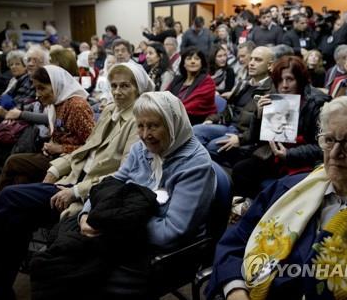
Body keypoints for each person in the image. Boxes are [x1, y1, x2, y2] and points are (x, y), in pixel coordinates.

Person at [0, 62, 154, 299]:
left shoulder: (138, 121)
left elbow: (122, 175)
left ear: (138, 88)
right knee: (15, 216)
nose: (118, 91)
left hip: (88, 193)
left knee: (10, 196)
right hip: (72, 177)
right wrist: (56, 169)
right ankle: (1, 288)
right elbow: (85, 149)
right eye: (115, 85)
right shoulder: (111, 110)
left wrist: (76, 190)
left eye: (125, 86)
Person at [206, 96, 347, 300]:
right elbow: (233, 243)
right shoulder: (289, 187)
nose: (335, 152)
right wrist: (235, 289)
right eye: (328, 139)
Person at [29, 91, 216, 298]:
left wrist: (110, 224)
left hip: (162, 252)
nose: (145, 134)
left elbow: (170, 232)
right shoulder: (140, 149)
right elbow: (112, 183)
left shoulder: (195, 165)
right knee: (56, 261)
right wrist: (86, 214)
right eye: (140, 126)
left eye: (154, 126)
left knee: (72, 276)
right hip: (123, 231)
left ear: (173, 124)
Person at [0, 65, 95, 228]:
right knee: (20, 179)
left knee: (14, 162)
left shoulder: (77, 106)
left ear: (56, 85)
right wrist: (53, 145)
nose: (38, 94)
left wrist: (62, 148)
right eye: (36, 88)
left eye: (42, 88)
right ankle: (1, 222)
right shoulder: (57, 103)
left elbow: (93, 147)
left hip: (71, 164)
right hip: (55, 158)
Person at [231, 56, 330, 199]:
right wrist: (258, 115)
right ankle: (248, 207)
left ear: (300, 80)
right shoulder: (276, 98)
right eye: (279, 80)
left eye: (289, 79)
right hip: (274, 154)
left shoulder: (316, 103)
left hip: (303, 160)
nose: (284, 85)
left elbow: (322, 147)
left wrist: (289, 154)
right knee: (241, 169)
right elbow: (256, 139)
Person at [168, 46, 217, 125]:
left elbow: (193, 106)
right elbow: (164, 97)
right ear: (183, 64)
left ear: (202, 63)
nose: (193, 61)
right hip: (173, 119)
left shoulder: (207, 81)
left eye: (197, 59)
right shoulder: (177, 80)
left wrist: (168, 111)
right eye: (189, 59)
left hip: (196, 122)